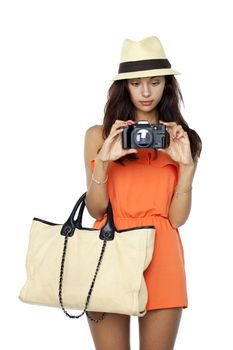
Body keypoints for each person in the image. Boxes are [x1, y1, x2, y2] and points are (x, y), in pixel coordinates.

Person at [83, 36, 202, 350]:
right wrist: (105, 161)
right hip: (109, 248)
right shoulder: (99, 135)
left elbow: (177, 219)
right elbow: (96, 210)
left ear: (167, 85)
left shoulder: (181, 138)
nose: (146, 92)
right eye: (136, 83)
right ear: (125, 87)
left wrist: (186, 167)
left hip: (162, 252)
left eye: (154, 82)